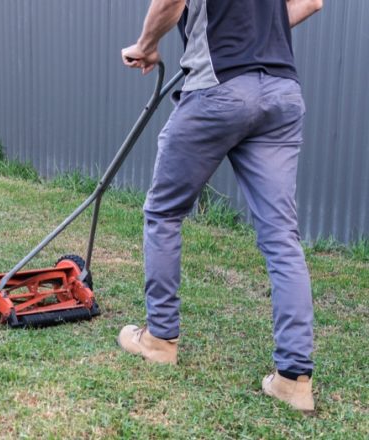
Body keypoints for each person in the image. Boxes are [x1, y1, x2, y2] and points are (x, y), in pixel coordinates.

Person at [117, 0, 324, 413]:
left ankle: (159, 340)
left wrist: (146, 45)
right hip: (281, 91)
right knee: (282, 237)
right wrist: (257, 35)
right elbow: (312, 1)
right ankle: (294, 380)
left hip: (219, 87)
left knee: (163, 212)